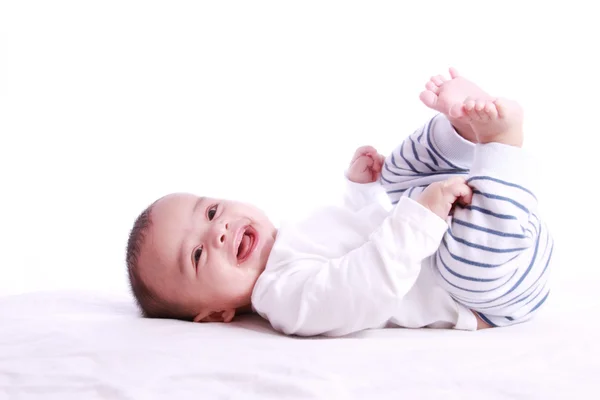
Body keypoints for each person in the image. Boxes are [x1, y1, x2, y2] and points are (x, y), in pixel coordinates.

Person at [125, 68, 553, 336]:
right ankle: (500, 147)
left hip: (480, 231)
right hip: (487, 290)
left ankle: (460, 132)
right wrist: (420, 217)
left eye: (212, 211)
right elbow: (359, 288)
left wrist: (364, 189)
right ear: (215, 313)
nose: (217, 231)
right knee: (461, 265)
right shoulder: (282, 297)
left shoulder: (295, 231)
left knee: (395, 177)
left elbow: (364, 229)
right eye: (197, 254)